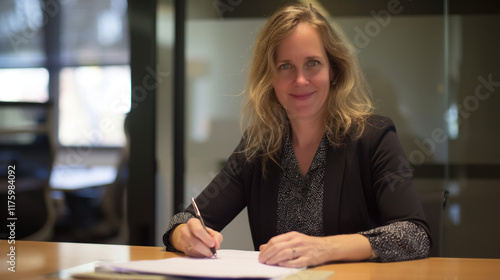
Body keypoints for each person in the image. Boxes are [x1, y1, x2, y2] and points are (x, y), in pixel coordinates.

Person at [163, 4, 430, 267]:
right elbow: (183, 221)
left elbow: (414, 235)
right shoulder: (258, 148)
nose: (300, 80)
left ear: (333, 70)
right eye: (285, 66)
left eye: (313, 63)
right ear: (270, 77)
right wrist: (186, 235)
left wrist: (324, 248)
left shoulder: (374, 137)